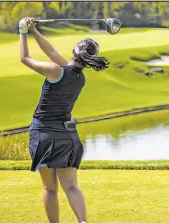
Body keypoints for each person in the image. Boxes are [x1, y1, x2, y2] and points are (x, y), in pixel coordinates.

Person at [19, 17, 110, 223]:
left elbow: (25, 58)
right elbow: (51, 52)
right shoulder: (80, 77)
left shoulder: (55, 71)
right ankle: (83, 221)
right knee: (71, 185)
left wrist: (22, 31)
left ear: (73, 51)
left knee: (50, 188)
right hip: (68, 135)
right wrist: (33, 30)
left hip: (44, 133)